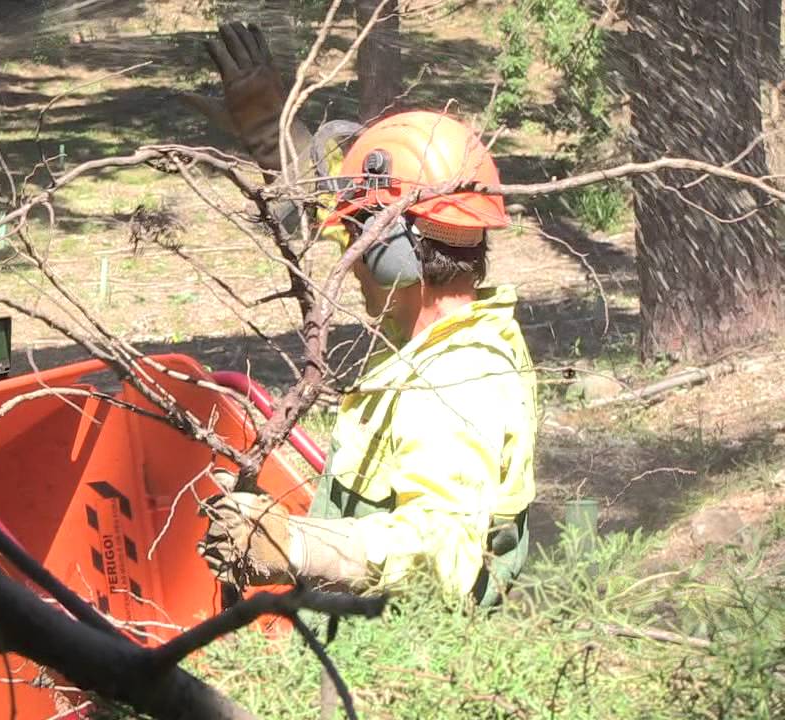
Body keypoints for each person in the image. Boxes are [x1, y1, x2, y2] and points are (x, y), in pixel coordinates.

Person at [185, 22, 538, 607]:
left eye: (354, 241)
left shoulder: (453, 383)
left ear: (390, 251)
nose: (347, 264)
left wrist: (294, 544)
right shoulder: (452, 332)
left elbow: (441, 552)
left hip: (404, 674)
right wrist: (276, 139)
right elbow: (365, 211)